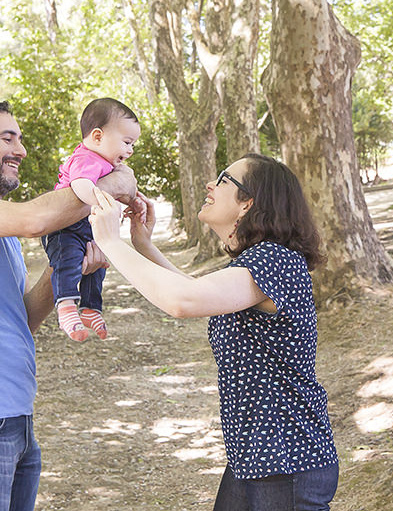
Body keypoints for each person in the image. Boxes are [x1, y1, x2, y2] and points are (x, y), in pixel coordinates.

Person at [0, 97, 139, 511]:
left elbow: (22, 319)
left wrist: (68, 269)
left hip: (11, 413)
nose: (21, 150)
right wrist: (113, 184)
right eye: (8, 138)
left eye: (20, 139)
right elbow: (37, 219)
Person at [88, 153, 339, 511]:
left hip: (287, 457)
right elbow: (195, 291)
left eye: (223, 180)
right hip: (255, 453)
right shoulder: (257, 262)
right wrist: (142, 243)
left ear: (247, 203)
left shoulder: (274, 260)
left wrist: (111, 243)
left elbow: (182, 301)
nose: (210, 184)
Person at [42, 96, 141, 341]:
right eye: (127, 142)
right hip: (65, 226)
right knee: (69, 261)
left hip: (86, 225)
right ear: (97, 136)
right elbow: (80, 186)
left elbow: (121, 189)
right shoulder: (86, 158)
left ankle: (90, 308)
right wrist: (101, 200)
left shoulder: (105, 163)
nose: (130, 150)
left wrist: (133, 200)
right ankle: (65, 305)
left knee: (97, 267)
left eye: (133, 144)